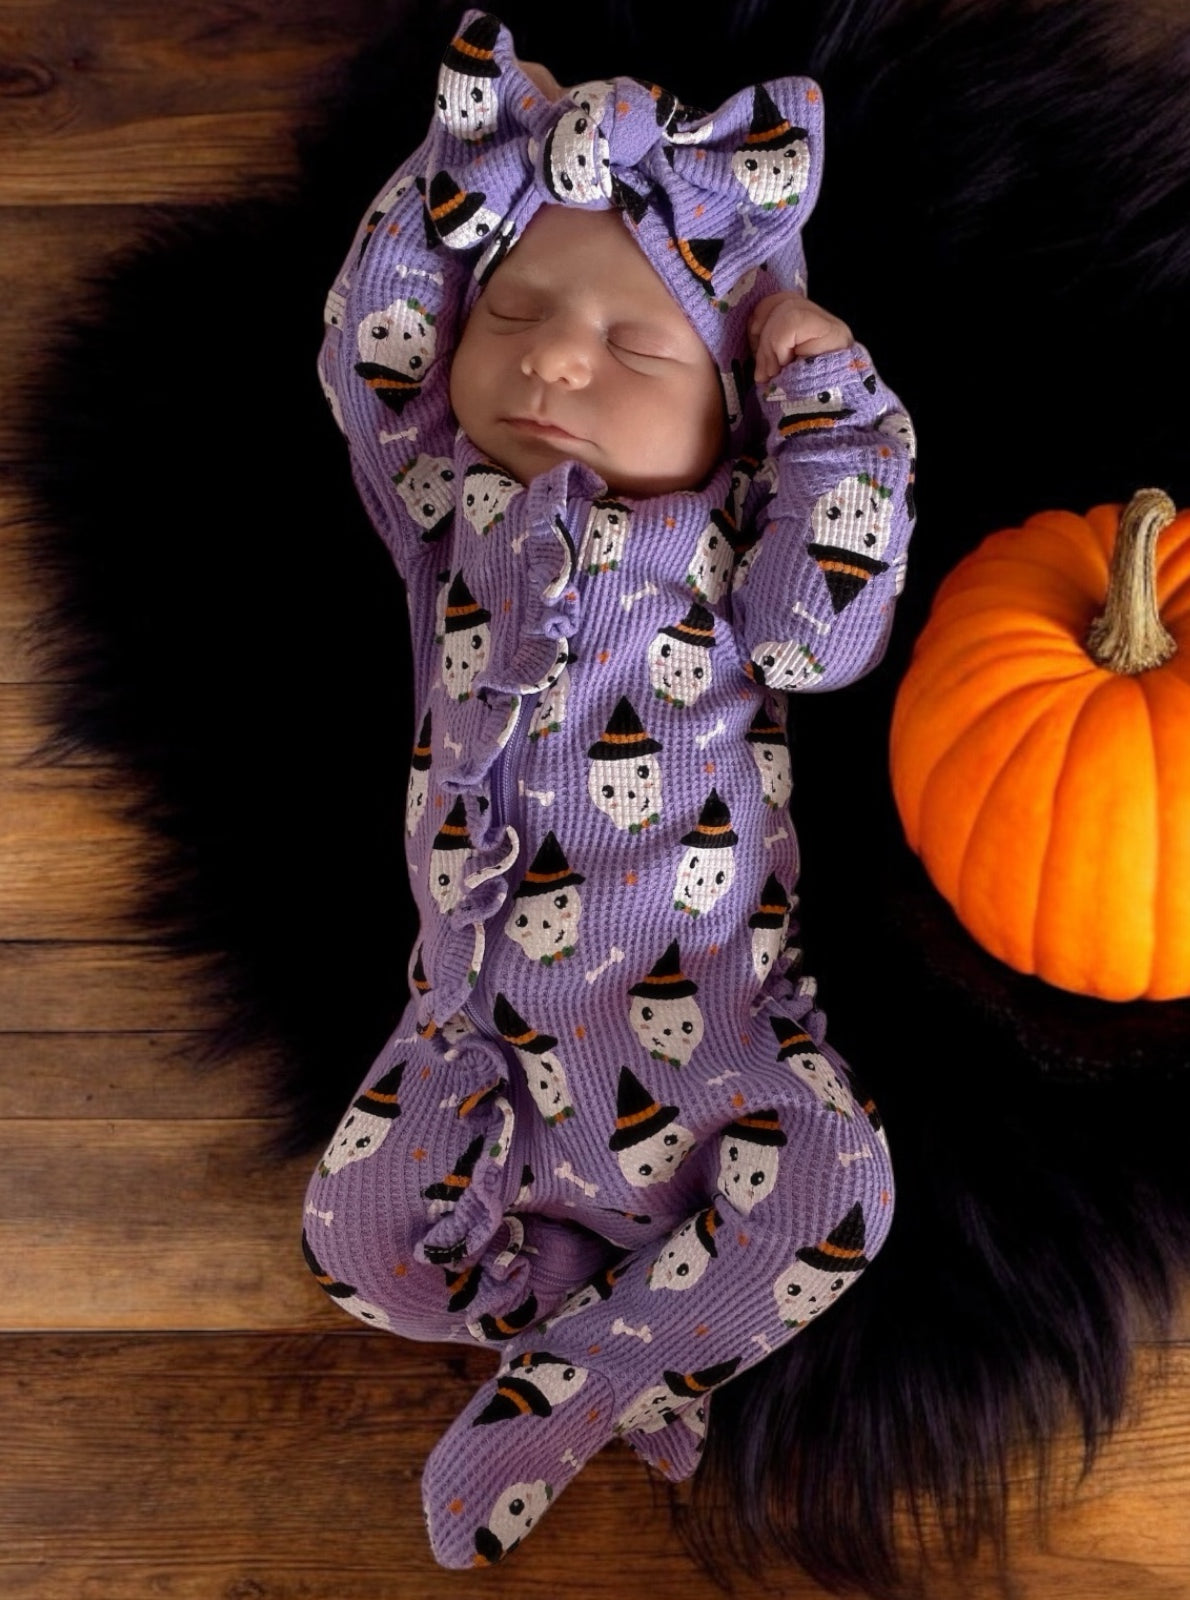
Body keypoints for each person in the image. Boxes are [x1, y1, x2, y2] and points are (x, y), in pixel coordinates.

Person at [303, 8, 913, 1569]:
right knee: (356, 1251)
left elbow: (826, 636)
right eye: (510, 311)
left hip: (713, 1038)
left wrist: (832, 408)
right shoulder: (452, 508)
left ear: (722, 419)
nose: (554, 357)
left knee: (843, 1188)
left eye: (635, 348)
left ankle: (570, 1388)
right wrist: (475, 157)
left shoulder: (725, 552)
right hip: (467, 1051)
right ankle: (584, 1331)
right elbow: (370, 333)